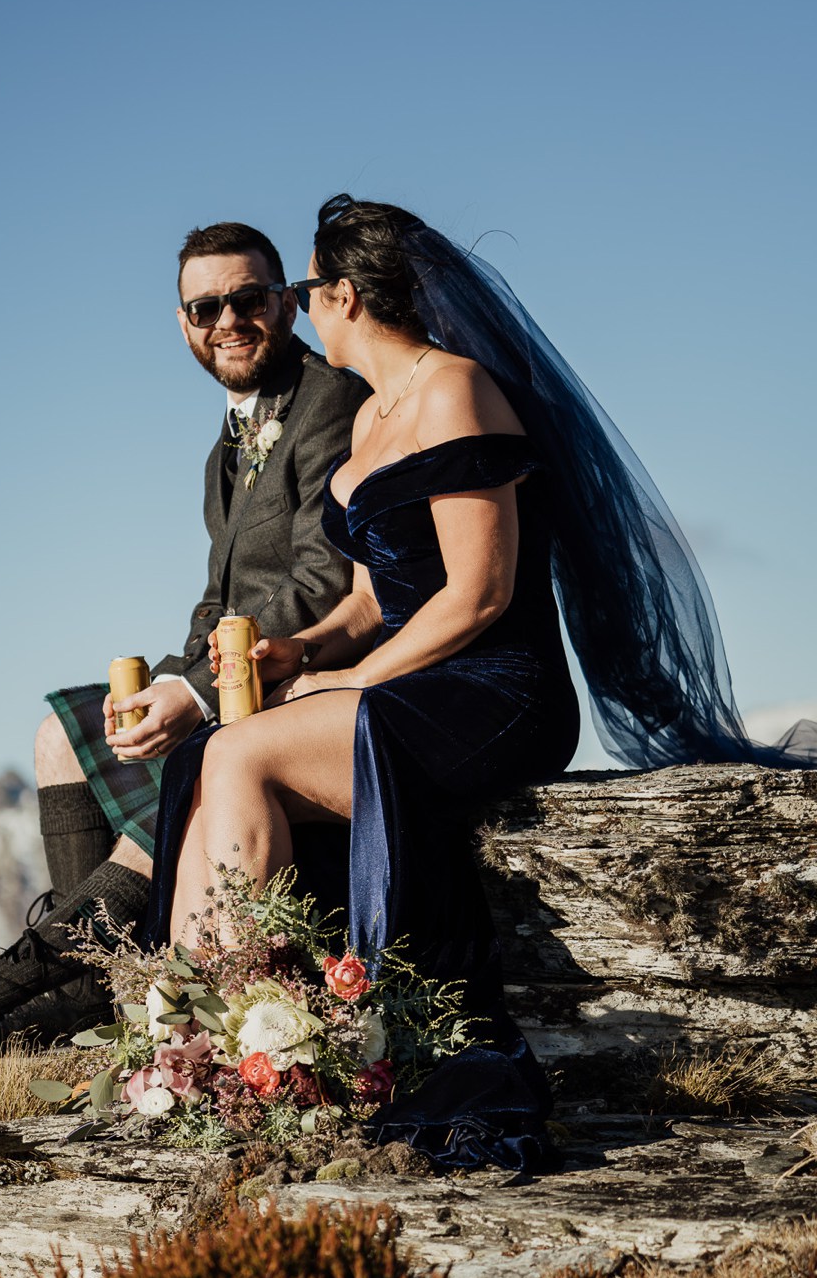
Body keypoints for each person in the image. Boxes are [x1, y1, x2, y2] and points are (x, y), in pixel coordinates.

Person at [143, 193, 817, 1172]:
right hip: (408, 684)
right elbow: (373, 602)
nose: (300, 312)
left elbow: (481, 592)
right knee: (210, 755)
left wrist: (358, 687)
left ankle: (263, 1038)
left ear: (342, 294)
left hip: (498, 691)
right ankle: (205, 1039)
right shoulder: (371, 417)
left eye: (302, 291)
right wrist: (308, 653)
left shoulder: (457, 391)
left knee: (239, 750)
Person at [0, 221, 367, 1072]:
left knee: (184, 778)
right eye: (206, 305)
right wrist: (171, 687)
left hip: (296, 691)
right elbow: (216, 604)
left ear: (287, 304)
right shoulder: (225, 445)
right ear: (181, 322)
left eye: (249, 299)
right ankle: (92, 988)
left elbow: (323, 584)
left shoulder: (328, 403)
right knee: (62, 732)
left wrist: (198, 693)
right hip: (229, 679)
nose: (229, 320)